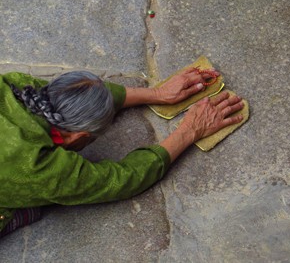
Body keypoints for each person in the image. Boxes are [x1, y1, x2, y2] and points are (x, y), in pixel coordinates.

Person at [0, 68, 244, 238]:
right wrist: (191, 130)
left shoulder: (14, 85)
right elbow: (120, 180)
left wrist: (157, 94)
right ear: (78, 137)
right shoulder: (38, 167)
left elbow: (71, 92)